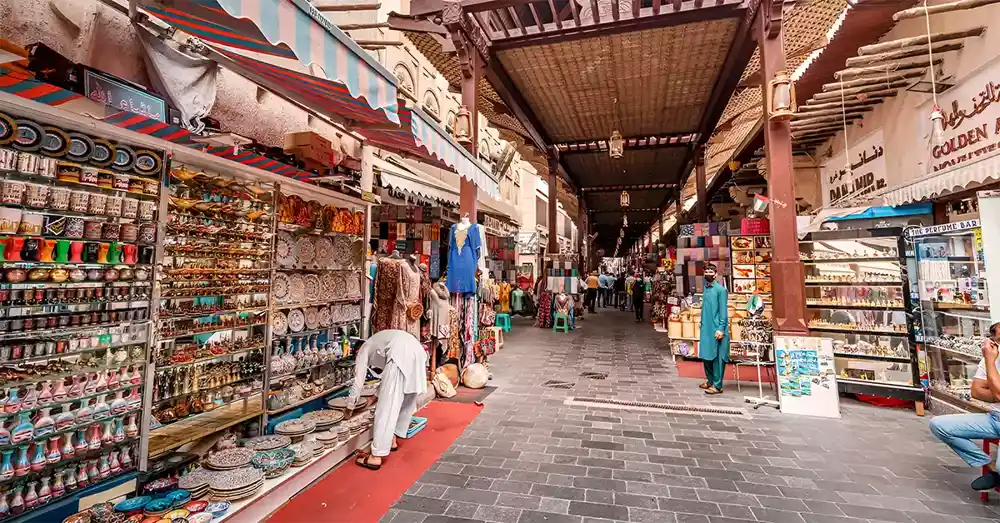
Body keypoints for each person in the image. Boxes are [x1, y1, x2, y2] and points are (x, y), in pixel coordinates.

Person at [929, 322, 1000, 490]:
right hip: (995, 418)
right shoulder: (992, 355)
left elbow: (997, 394)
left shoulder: (991, 357)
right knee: (939, 425)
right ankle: (991, 469)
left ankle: (997, 471)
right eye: (996, 338)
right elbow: (976, 391)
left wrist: (990, 362)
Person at [351, 330, 428, 470]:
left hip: (400, 353)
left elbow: (358, 380)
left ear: (357, 350)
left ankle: (376, 456)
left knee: (386, 408)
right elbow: (387, 378)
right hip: (416, 351)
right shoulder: (378, 341)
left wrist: (350, 406)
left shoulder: (364, 349)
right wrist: (373, 398)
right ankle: (392, 439)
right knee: (406, 400)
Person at [698, 263, 729, 395]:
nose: (708, 274)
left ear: (716, 274)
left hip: (716, 328)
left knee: (717, 357)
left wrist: (721, 328)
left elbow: (723, 311)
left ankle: (718, 385)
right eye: (706, 272)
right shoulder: (706, 288)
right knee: (706, 356)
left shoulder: (721, 290)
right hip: (706, 327)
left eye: (711, 272)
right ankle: (710, 380)